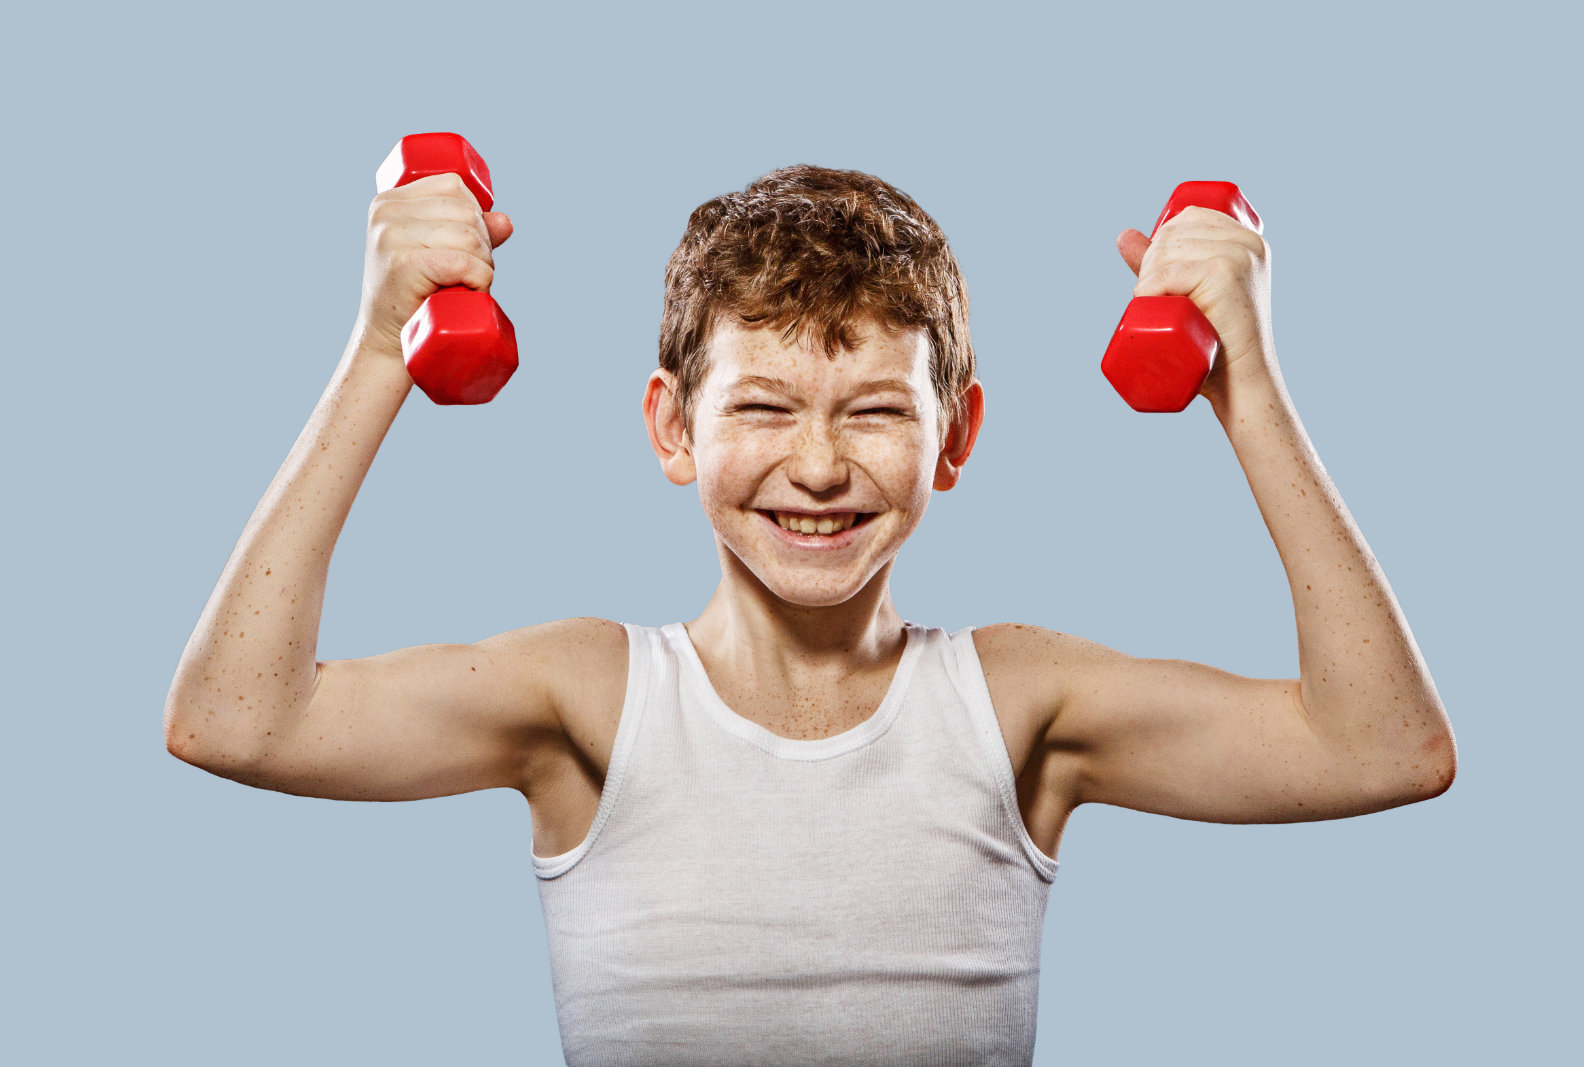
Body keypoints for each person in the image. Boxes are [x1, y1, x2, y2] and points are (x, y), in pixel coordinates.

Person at [164, 162, 1457, 1065]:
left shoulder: (1019, 706)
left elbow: (1382, 747)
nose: (823, 466)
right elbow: (233, 719)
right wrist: (382, 345)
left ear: (957, 440)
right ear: (674, 428)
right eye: (765, 408)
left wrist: (1249, 384)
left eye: (879, 410)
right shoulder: (585, 703)